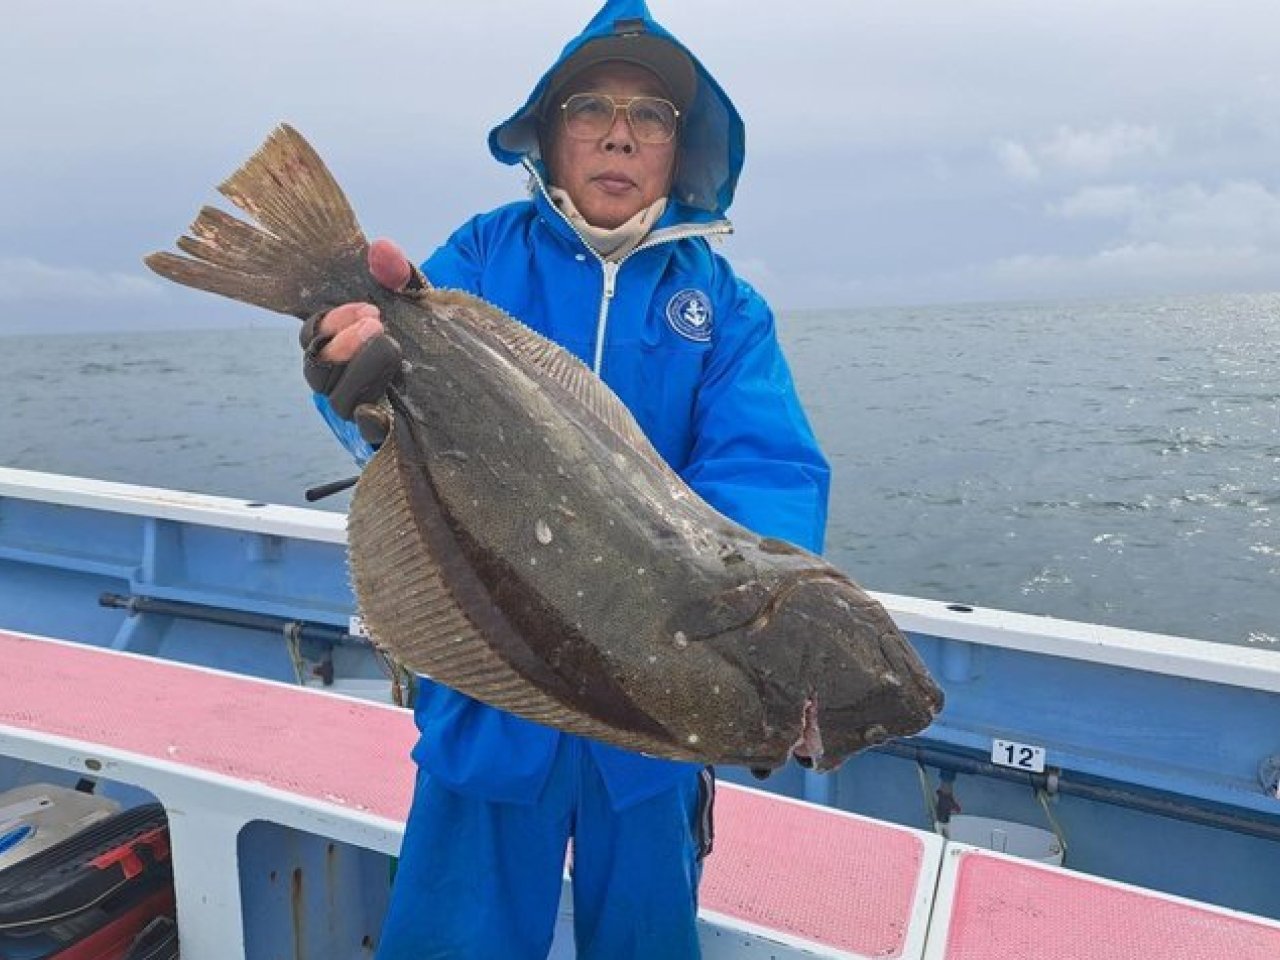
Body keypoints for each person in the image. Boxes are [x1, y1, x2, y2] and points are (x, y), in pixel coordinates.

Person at [300, 1, 830, 956]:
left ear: (682, 147)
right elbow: (394, 416)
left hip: (655, 708)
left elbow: (766, 471)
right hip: (491, 677)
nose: (621, 133)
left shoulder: (725, 309)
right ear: (547, 133)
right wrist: (357, 386)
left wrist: (754, 636)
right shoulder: (478, 257)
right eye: (591, 106)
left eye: (653, 115)